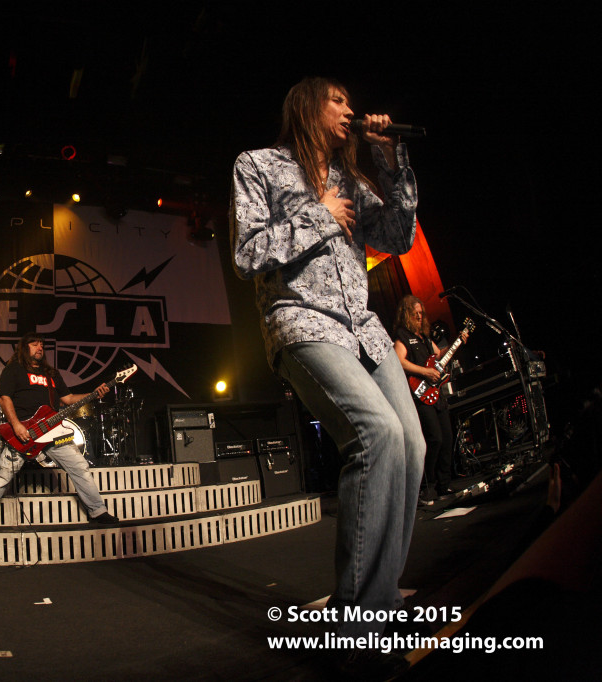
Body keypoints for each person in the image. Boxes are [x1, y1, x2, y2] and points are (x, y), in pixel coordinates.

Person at [230, 77, 424, 679]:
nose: (349, 110)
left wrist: (391, 158)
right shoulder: (257, 164)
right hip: (301, 321)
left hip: (361, 327)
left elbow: (399, 236)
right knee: (374, 434)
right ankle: (360, 623)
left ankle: (379, 594)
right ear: (308, 107)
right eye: (337, 100)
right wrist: (317, 216)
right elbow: (247, 253)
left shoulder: (355, 182)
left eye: (350, 101)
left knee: (412, 444)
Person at [0, 332, 120, 527]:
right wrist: (16, 425)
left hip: (52, 431)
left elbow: (68, 399)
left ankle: (98, 511)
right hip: (25, 432)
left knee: (80, 467)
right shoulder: (14, 369)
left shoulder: (52, 374)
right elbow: (4, 398)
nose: (40, 347)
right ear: (25, 348)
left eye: (42, 344)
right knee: (3, 473)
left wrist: (94, 394)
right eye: (34, 344)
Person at [393, 295, 468, 503]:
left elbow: (440, 353)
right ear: (406, 314)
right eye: (415, 313)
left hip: (436, 393)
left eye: (421, 313)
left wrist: (457, 342)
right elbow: (399, 362)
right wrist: (425, 372)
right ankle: (426, 485)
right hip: (418, 393)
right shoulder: (403, 337)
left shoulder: (425, 337)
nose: (419, 316)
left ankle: (444, 486)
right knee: (434, 438)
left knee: (447, 437)